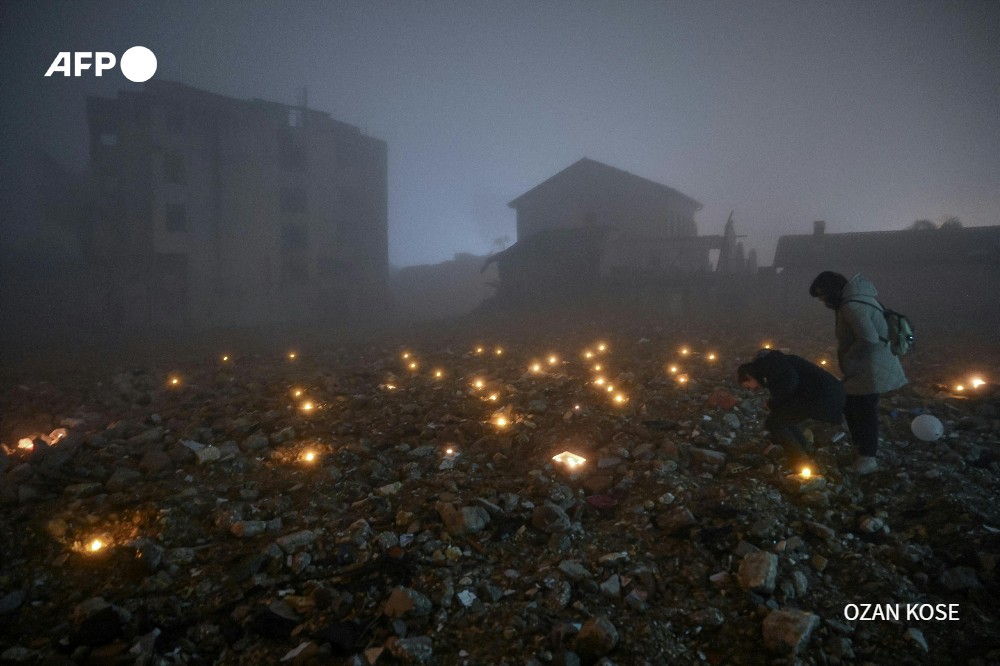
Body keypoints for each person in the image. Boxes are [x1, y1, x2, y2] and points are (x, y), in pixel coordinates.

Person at [809, 271, 908, 474]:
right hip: (872, 366)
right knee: (857, 408)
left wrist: (850, 357)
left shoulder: (851, 307)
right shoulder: (862, 299)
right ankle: (861, 453)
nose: (821, 300)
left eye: (821, 294)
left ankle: (866, 459)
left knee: (862, 412)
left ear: (832, 290)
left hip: (869, 369)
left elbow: (869, 338)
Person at [737, 349, 845, 469]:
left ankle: (800, 461)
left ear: (748, 376)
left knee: (774, 422)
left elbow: (790, 383)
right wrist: (775, 440)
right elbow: (786, 401)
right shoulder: (773, 365)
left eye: (748, 386)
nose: (752, 389)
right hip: (826, 394)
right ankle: (805, 450)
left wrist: (773, 403)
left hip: (821, 396)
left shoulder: (770, 366)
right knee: (781, 419)